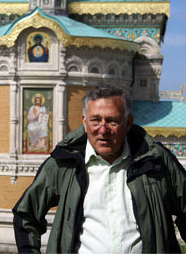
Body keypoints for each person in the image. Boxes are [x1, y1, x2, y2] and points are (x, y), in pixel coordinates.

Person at [13, 84, 186, 254]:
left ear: (128, 123)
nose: (103, 130)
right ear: (84, 122)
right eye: (95, 120)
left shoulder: (155, 160)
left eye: (112, 121)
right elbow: (26, 214)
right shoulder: (65, 164)